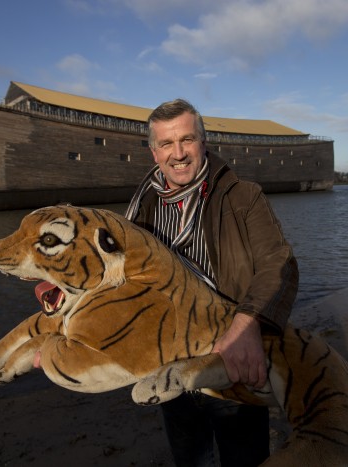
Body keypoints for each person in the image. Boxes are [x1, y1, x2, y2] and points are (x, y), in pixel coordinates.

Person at [125, 99, 299, 466]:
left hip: (229, 357)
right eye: (166, 144)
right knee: (190, 458)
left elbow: (278, 264)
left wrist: (246, 326)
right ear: (153, 152)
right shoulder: (142, 209)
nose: (179, 154)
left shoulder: (242, 196)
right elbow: (120, 276)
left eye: (187, 140)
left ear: (203, 141)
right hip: (170, 361)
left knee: (245, 457)